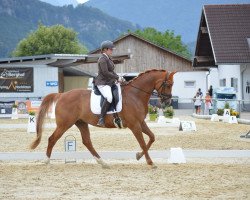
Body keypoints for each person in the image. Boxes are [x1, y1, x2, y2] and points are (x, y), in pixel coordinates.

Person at [94, 40, 122, 127]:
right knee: (109, 97)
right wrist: (116, 77)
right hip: (102, 82)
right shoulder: (102, 59)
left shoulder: (108, 58)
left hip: (108, 82)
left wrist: (119, 77)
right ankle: (101, 119)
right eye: (111, 49)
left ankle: (115, 115)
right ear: (105, 49)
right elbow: (105, 73)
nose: (112, 51)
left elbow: (111, 71)